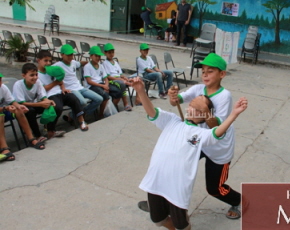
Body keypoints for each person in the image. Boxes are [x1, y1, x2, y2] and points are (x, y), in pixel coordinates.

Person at [131, 76, 248, 230]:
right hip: (155, 183)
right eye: (192, 105)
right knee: (158, 220)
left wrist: (234, 114)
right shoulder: (172, 121)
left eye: (199, 108)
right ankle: (162, 206)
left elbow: (217, 132)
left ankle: (239, 201)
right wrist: (140, 91)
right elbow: (152, 111)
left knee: (185, 221)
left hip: (177, 189)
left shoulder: (199, 134)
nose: (193, 108)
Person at [36, 50, 89, 132]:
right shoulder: (37, 75)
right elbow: (43, 89)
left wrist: (63, 88)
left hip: (60, 92)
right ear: (38, 60)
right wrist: (56, 82)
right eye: (45, 61)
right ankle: (51, 129)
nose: (48, 63)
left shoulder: (51, 70)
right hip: (49, 95)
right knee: (58, 107)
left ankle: (81, 121)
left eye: (50, 61)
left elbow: (60, 81)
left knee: (74, 98)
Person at [12, 63, 66, 140]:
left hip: (35, 104)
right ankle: (37, 136)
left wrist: (49, 102)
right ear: (23, 76)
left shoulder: (38, 82)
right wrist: (40, 104)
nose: (35, 77)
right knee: (30, 111)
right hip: (21, 107)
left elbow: (43, 96)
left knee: (56, 106)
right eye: (32, 75)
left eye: (36, 74)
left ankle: (51, 131)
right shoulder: (18, 85)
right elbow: (21, 103)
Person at [1, 72, 46, 162]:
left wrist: (19, 106)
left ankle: (31, 139)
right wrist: (6, 108)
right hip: (2, 111)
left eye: (0, 79)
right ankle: (4, 147)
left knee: (19, 110)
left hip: (5, 110)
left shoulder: (3, 87)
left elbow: (12, 101)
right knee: (0, 117)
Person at [53, 44, 103, 120]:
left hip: (80, 87)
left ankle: (76, 115)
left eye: (72, 54)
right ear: (62, 55)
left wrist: (91, 62)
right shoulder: (57, 66)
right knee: (83, 102)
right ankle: (78, 115)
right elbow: (47, 70)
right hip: (70, 90)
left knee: (99, 99)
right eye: (68, 55)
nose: (71, 56)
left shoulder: (73, 62)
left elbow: (81, 63)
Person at [84, 46, 123, 118]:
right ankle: (101, 114)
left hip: (102, 84)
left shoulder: (101, 66)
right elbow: (89, 81)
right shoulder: (87, 66)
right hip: (93, 86)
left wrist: (106, 85)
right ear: (91, 56)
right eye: (96, 56)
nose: (98, 58)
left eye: (99, 56)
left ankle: (111, 108)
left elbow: (105, 78)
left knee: (118, 92)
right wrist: (103, 86)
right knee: (105, 95)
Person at [102, 43, 135, 110]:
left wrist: (124, 77)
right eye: (109, 52)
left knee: (136, 79)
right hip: (112, 80)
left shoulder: (115, 63)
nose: (111, 54)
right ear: (105, 53)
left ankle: (138, 101)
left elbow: (121, 74)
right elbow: (108, 77)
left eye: (112, 52)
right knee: (122, 83)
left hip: (119, 79)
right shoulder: (105, 63)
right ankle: (125, 104)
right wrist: (120, 79)